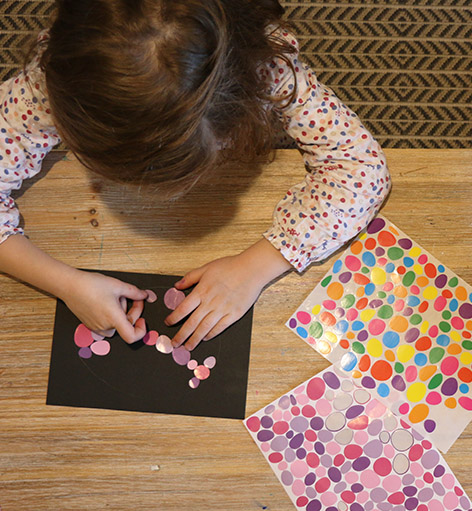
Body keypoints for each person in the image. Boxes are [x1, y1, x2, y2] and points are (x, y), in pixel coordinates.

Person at [0, 0, 390, 351]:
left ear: (236, 113)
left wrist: (258, 265)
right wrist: (66, 283)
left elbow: (361, 168)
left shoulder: (268, 71)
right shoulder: (47, 87)